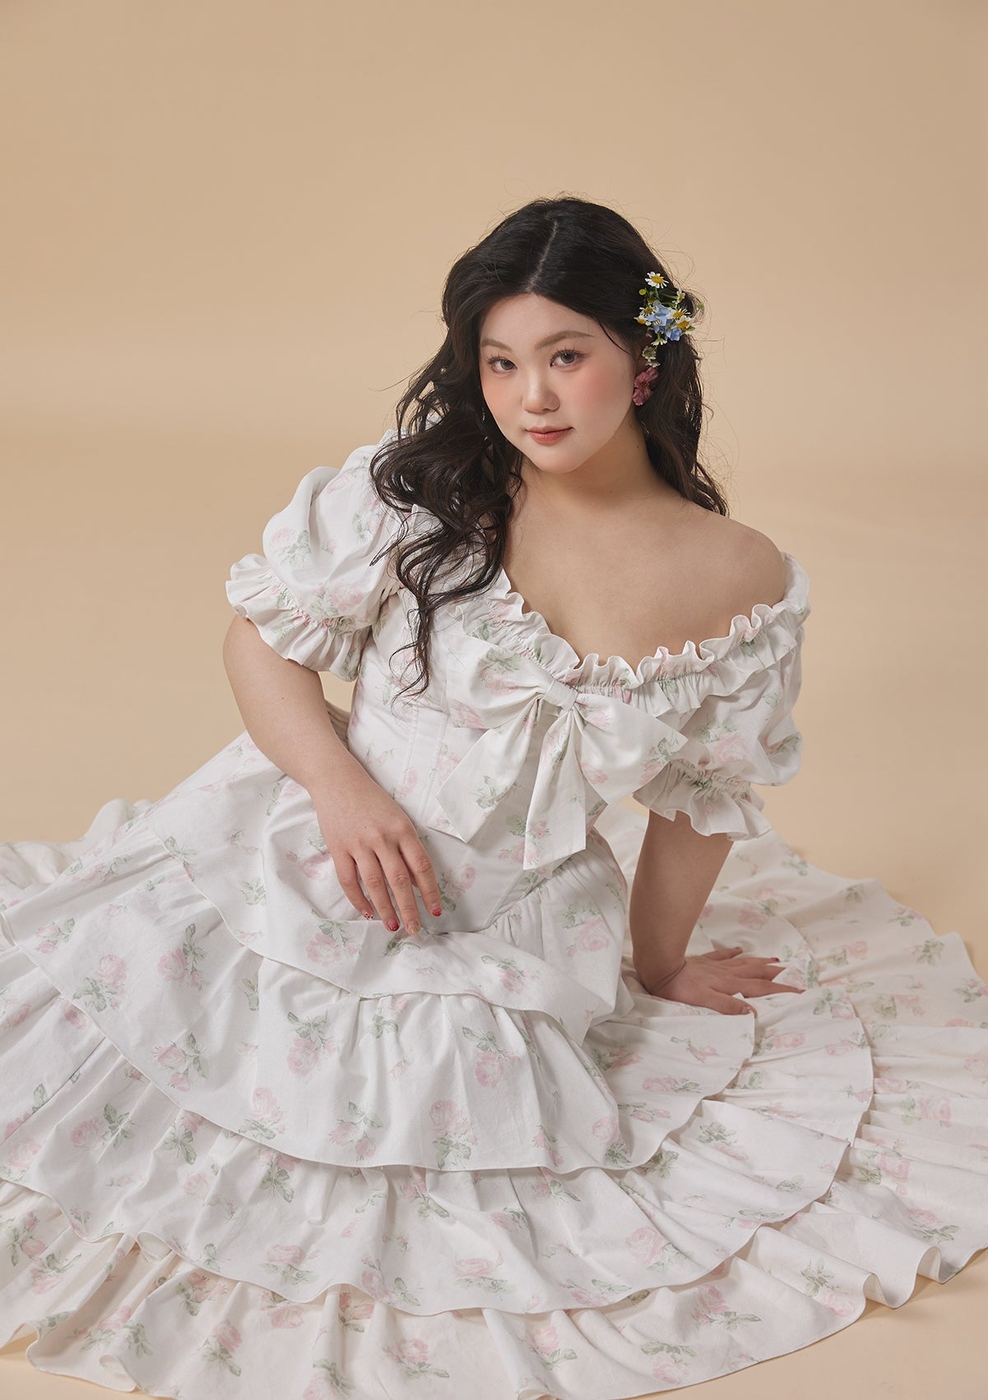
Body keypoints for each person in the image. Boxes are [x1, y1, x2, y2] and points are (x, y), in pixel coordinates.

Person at [0, 196, 984, 1400]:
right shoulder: (423, 492)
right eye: (501, 362)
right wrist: (340, 789)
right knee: (128, 1049)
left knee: (455, 1144)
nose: (532, 398)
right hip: (310, 839)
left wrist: (658, 962)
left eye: (565, 356)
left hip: (516, 917)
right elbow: (261, 644)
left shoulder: (737, 575)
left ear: (644, 359)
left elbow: (699, 796)